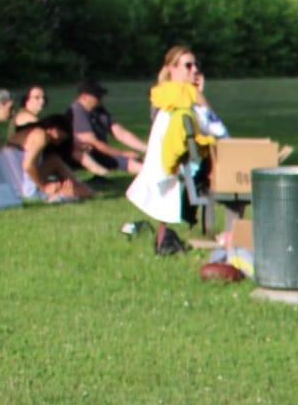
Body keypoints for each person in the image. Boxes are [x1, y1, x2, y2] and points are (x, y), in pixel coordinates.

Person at [127, 46, 218, 253]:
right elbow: (217, 128)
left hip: (174, 167)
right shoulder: (184, 98)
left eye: (196, 65)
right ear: (172, 69)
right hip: (188, 167)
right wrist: (200, 96)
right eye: (188, 65)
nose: (194, 69)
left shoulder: (165, 96)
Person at [2, 113, 89, 203]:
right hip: (26, 190)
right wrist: (44, 186)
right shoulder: (40, 136)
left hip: (18, 184)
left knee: (54, 162)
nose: (58, 143)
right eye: (60, 138)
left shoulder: (31, 133)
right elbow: (28, 166)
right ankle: (78, 190)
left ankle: (79, 188)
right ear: (53, 128)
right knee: (55, 164)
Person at [69, 79, 146, 177]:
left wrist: (146, 148)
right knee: (128, 161)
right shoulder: (77, 112)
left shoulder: (98, 110)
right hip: (87, 154)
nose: (101, 98)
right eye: (97, 96)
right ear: (84, 97)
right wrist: (121, 153)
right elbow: (94, 143)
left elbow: (121, 134)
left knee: (139, 159)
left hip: (101, 152)